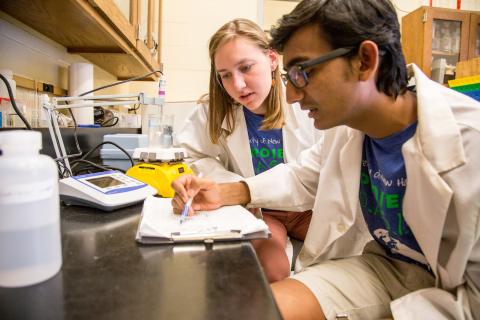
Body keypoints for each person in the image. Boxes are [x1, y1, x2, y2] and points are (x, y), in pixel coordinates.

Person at [172, 0, 480, 319]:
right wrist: (225, 192)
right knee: (252, 310)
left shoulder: (471, 142)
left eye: (302, 72)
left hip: (457, 293)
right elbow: (302, 177)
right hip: (383, 268)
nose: (290, 95)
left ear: (365, 60)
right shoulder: (347, 128)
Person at [176, 18, 322, 282]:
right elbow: (192, 154)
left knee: (343, 255)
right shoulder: (213, 111)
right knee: (269, 270)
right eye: (225, 75)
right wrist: (233, 186)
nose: (238, 85)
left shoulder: (309, 104)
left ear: (272, 59)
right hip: (262, 209)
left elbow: (321, 166)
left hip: (311, 208)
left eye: (246, 68)